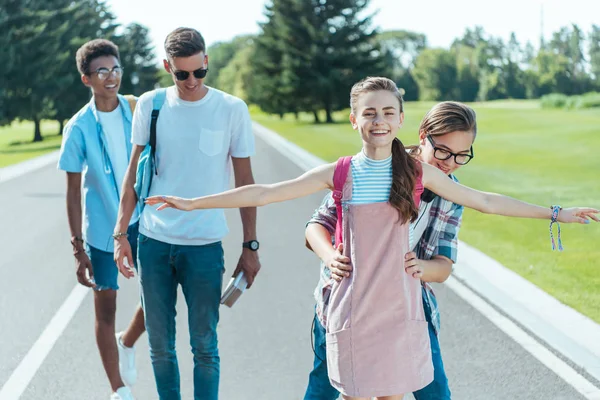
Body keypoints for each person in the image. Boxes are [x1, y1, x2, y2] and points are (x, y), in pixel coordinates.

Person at [144, 77, 598, 400]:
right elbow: (265, 192)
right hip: (349, 307)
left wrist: (556, 213)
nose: (379, 120)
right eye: (369, 112)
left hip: (399, 309)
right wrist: (192, 202)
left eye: (387, 112)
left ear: (401, 118)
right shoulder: (340, 173)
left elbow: (485, 201)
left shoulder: (420, 173)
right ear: (354, 119)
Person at [112, 27, 260, 400]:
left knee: (205, 346)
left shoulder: (231, 109)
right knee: (160, 347)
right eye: (182, 74)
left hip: (205, 246)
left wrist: (250, 245)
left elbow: (246, 182)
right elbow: (133, 173)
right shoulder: (151, 104)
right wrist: (120, 235)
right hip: (154, 242)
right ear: (168, 67)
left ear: (207, 62)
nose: (192, 81)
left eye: (199, 72)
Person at [303, 101, 476, 400]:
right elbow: (315, 227)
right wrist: (331, 257)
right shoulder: (376, 167)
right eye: (444, 151)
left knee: (434, 392)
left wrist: (422, 267)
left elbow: (444, 265)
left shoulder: (451, 193)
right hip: (348, 303)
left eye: (462, 155)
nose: (450, 163)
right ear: (423, 136)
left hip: (407, 308)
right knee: (325, 388)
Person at [57, 39, 145, 400]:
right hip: (101, 233)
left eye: (115, 69)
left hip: (144, 222)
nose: (111, 77)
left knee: (159, 300)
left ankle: (128, 341)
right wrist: (78, 250)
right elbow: (73, 192)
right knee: (105, 309)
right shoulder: (77, 128)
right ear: (86, 79)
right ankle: (118, 390)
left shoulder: (139, 109)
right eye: (102, 71)